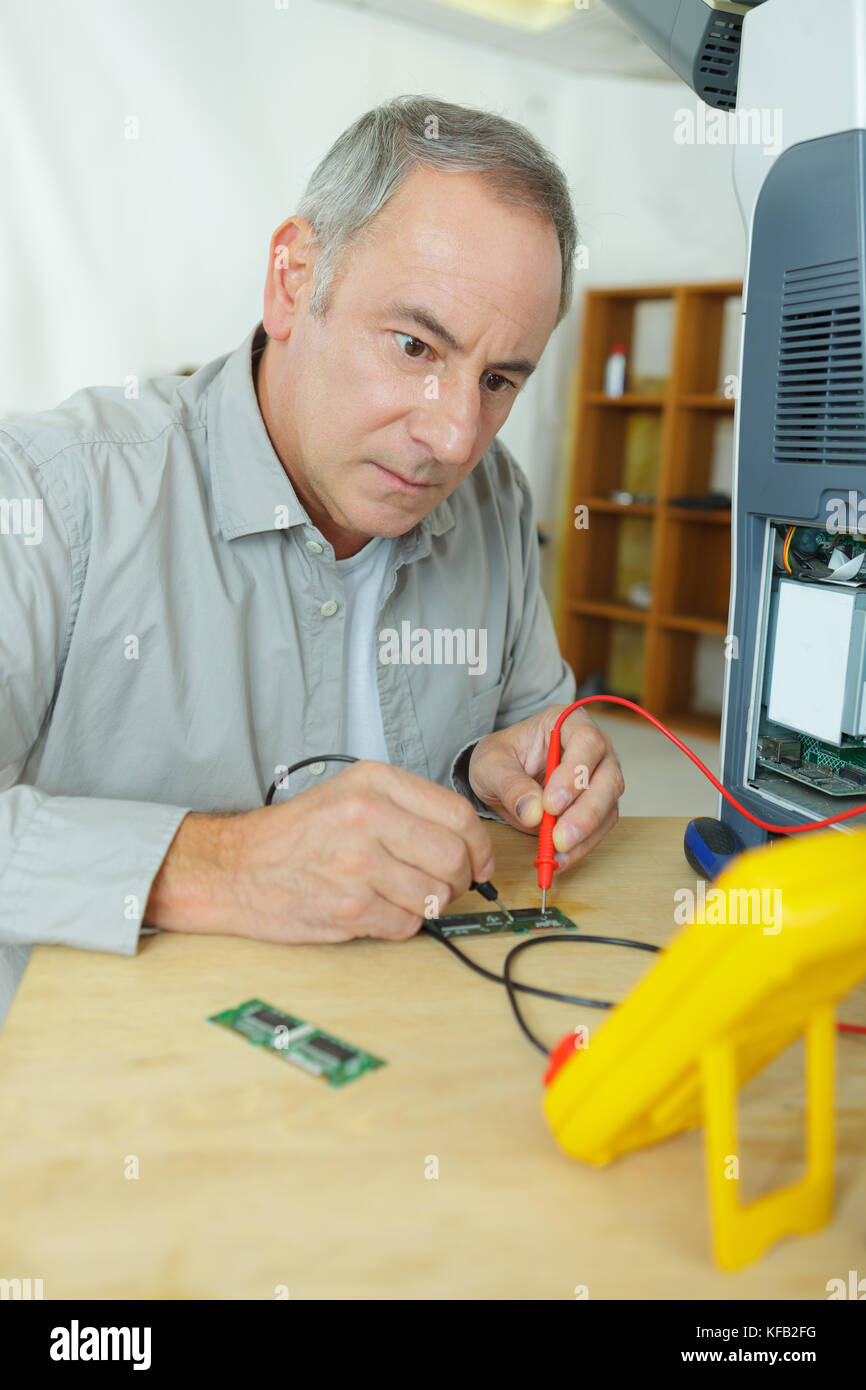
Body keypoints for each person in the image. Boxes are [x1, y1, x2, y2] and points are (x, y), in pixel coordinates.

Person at [0, 94, 624, 1016]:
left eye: (498, 381)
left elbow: (533, 732)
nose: (455, 437)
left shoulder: (495, 498)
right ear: (294, 279)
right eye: (415, 344)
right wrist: (224, 866)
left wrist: (517, 771)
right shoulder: (53, 490)